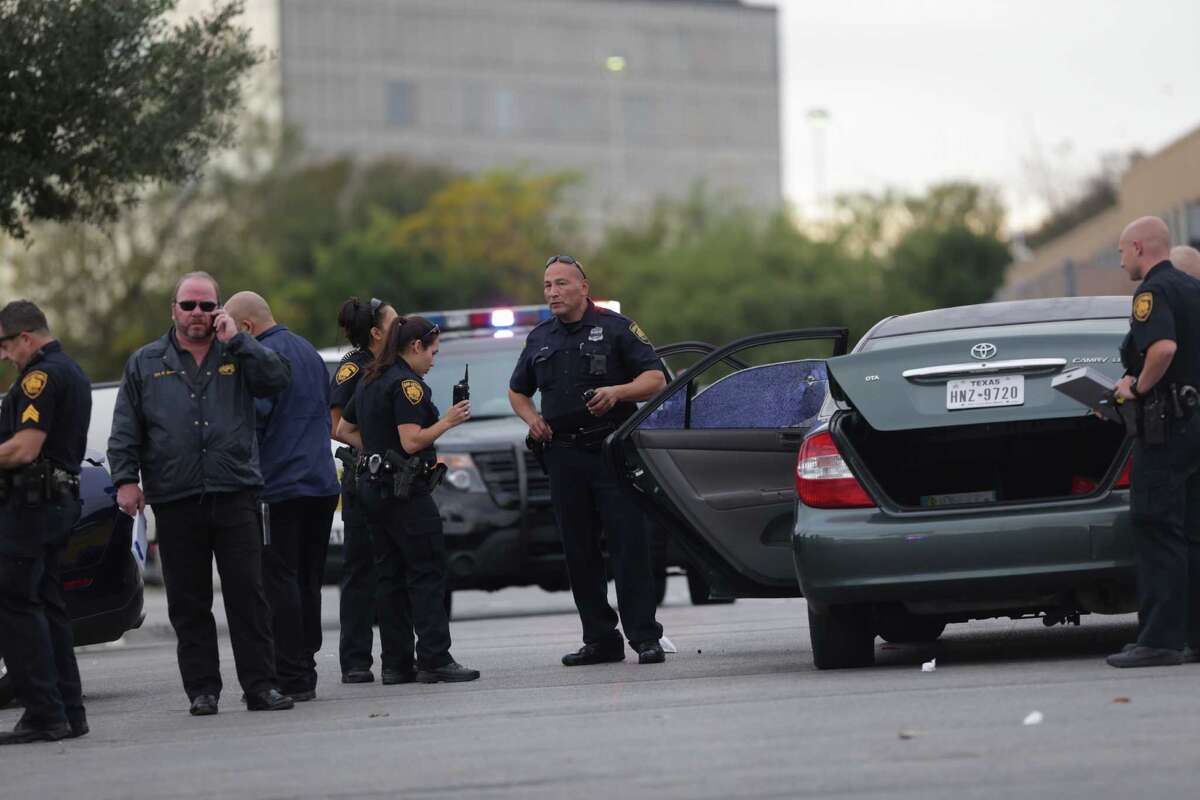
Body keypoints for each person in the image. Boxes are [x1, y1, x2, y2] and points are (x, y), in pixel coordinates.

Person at [107, 272, 296, 713]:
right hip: (176, 498)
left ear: (220, 311)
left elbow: (278, 380)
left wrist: (241, 342)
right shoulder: (145, 363)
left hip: (234, 493)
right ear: (173, 309)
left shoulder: (239, 352)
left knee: (248, 595)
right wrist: (125, 480)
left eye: (207, 306)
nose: (198, 314)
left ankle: (261, 685)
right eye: (189, 305)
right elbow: (124, 430)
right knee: (188, 601)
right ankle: (202, 689)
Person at [508, 255, 668, 666]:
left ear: (583, 286)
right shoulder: (540, 337)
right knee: (578, 551)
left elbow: (656, 380)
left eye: (561, 284)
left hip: (609, 452)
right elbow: (518, 391)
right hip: (562, 455)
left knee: (628, 546)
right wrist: (533, 419)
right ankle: (600, 639)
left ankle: (644, 637)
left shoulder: (617, 329)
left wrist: (616, 392)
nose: (553, 292)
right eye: (547, 285)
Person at [336, 315, 479, 683]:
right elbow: (412, 441)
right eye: (432, 351)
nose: (434, 359)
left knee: (390, 575)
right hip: (405, 493)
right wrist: (448, 420)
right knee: (427, 571)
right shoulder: (407, 385)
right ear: (415, 347)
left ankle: (396, 664)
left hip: (372, 489)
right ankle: (434, 657)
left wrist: (376, 453)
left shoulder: (370, 378)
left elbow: (343, 429)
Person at [224, 291, 341, 701]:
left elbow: (253, 423)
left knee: (279, 581)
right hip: (322, 485)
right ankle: (305, 666)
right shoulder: (308, 351)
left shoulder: (263, 363)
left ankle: (290, 674)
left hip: (280, 486)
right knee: (308, 579)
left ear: (247, 329)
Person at [1106, 217, 1200, 668]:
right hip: (1196, 425)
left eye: (1123, 251)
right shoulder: (1193, 289)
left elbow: (1162, 349)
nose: (1121, 259)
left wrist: (1136, 389)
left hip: (1167, 429)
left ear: (1139, 247)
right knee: (1193, 533)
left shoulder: (1152, 292)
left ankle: (1160, 639)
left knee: (1156, 526)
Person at [0, 301, 91, 745]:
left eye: (5, 345)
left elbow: (24, 448)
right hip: (54, 503)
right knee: (50, 606)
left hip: (33, 508)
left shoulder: (40, 377)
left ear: (25, 339)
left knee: (17, 605)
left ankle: (43, 713)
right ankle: (69, 711)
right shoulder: (70, 370)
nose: (4, 356)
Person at [329, 297, 410, 685]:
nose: (402, 325)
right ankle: (355, 660)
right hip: (364, 477)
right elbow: (336, 425)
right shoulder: (353, 368)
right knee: (360, 569)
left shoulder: (397, 364)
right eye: (395, 322)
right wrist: (380, 445)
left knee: (396, 568)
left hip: (398, 479)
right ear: (376, 332)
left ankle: (400, 658)